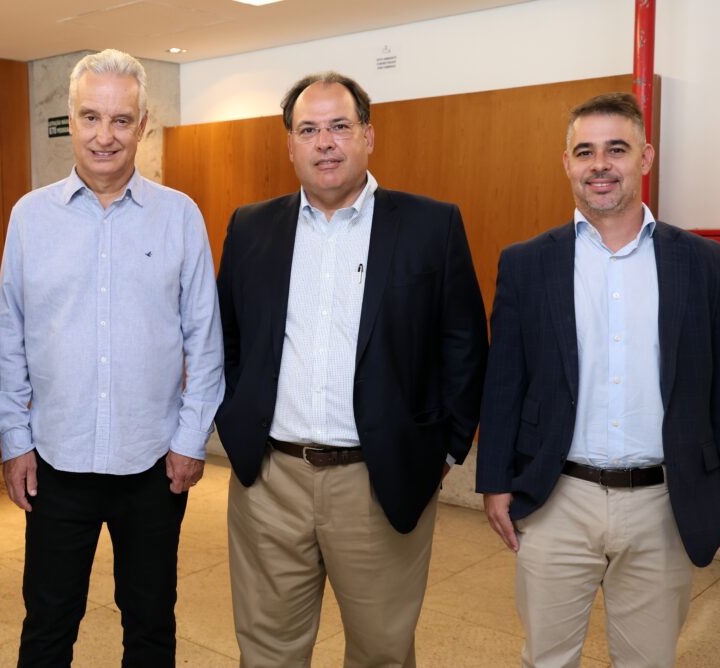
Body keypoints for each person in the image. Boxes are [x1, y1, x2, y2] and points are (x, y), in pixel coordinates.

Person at [215, 72, 488, 667]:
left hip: (378, 481)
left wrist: (444, 453)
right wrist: (238, 428)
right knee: (266, 650)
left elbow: (464, 345)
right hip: (271, 480)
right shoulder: (251, 226)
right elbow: (229, 337)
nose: (325, 143)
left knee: (381, 651)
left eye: (339, 126)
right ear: (290, 144)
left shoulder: (430, 225)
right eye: (308, 130)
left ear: (368, 135)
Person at [0, 49, 223, 667]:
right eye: (90, 117)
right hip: (55, 461)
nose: (104, 135)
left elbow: (205, 339)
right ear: (71, 119)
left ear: (143, 125)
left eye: (121, 120)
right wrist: (14, 439)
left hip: (153, 462)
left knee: (151, 622)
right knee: (47, 624)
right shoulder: (30, 217)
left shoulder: (179, 216)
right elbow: (9, 336)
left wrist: (191, 440)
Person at [477, 92, 720, 667]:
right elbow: (504, 380)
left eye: (617, 149)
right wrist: (493, 480)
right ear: (566, 162)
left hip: (664, 503)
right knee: (547, 658)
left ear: (645, 157)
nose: (600, 165)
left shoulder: (705, 265)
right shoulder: (526, 263)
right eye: (585, 151)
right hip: (556, 498)